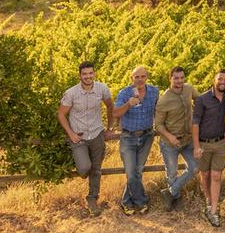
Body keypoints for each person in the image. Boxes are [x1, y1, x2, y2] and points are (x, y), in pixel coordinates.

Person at [57, 62, 116, 217]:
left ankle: (92, 199)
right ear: (80, 76)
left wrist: (110, 128)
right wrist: (70, 133)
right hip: (79, 137)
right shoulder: (71, 93)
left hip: (97, 134)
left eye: (90, 73)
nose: (88, 76)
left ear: (94, 74)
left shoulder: (102, 89)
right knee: (85, 167)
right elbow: (61, 114)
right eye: (85, 74)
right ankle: (85, 173)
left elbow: (110, 107)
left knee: (96, 169)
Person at [112, 66, 159, 215]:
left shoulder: (154, 91)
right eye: (136, 77)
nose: (140, 79)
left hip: (147, 136)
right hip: (128, 137)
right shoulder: (124, 93)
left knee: (137, 172)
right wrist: (128, 104)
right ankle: (141, 201)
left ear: (147, 77)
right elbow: (115, 113)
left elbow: (158, 110)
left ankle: (127, 202)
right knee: (131, 173)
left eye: (142, 76)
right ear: (132, 78)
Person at [154, 66, 198, 212]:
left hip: (187, 140)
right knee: (172, 173)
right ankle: (175, 198)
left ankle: (170, 193)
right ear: (170, 79)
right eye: (176, 78)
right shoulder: (163, 100)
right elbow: (158, 125)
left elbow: (201, 100)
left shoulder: (189, 89)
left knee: (195, 167)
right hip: (170, 144)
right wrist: (170, 137)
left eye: (181, 77)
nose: (179, 81)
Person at [191, 69, 225, 227]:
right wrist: (196, 146)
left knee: (216, 176)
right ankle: (208, 201)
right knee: (205, 175)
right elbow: (195, 123)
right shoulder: (202, 99)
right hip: (203, 144)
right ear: (214, 80)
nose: (222, 82)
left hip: (220, 143)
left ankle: (213, 211)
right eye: (220, 79)